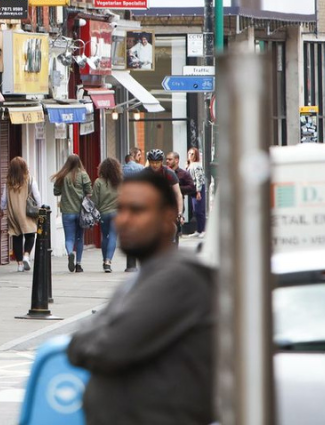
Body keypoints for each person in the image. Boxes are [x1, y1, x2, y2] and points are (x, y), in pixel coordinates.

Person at [67, 171, 215, 425]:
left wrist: (86, 339)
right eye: (121, 209)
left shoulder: (178, 278)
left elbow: (109, 346)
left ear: (167, 217)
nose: (124, 220)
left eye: (137, 210)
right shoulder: (142, 278)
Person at [53, 154, 92, 273]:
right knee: (80, 238)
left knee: (69, 238)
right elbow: (89, 192)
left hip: (67, 212)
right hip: (81, 212)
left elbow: (56, 192)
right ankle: (78, 265)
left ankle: (70, 253)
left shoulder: (62, 175)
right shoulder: (83, 175)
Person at [2, 156, 41, 271]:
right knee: (30, 234)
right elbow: (36, 195)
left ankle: (19, 264)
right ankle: (26, 255)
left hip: (13, 213)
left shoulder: (8, 182)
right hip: (26, 212)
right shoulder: (30, 179)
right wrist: (40, 208)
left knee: (16, 237)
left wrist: (1, 209)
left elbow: (4, 199)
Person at [92, 158, 122, 273]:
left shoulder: (98, 182)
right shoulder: (120, 182)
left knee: (105, 237)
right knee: (113, 236)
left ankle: (104, 260)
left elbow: (94, 200)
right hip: (117, 213)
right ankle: (108, 261)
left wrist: (96, 213)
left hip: (103, 213)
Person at [145, 149, 183, 223]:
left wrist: (180, 214)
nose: (155, 165)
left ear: (162, 162)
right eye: (152, 162)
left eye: (157, 162)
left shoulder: (169, 173)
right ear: (149, 162)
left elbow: (178, 194)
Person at [167, 152, 196, 230]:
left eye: (170, 159)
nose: (167, 161)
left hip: (177, 203)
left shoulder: (184, 174)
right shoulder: (164, 172)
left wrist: (178, 189)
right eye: (166, 159)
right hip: (165, 202)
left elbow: (192, 187)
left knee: (175, 225)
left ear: (176, 160)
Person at [186, 147, 207, 237]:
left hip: (198, 188)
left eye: (192, 154)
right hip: (193, 189)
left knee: (199, 210)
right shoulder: (190, 165)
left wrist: (198, 191)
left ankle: (203, 230)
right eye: (189, 154)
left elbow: (199, 179)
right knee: (196, 210)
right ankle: (199, 230)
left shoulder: (197, 165)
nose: (190, 156)